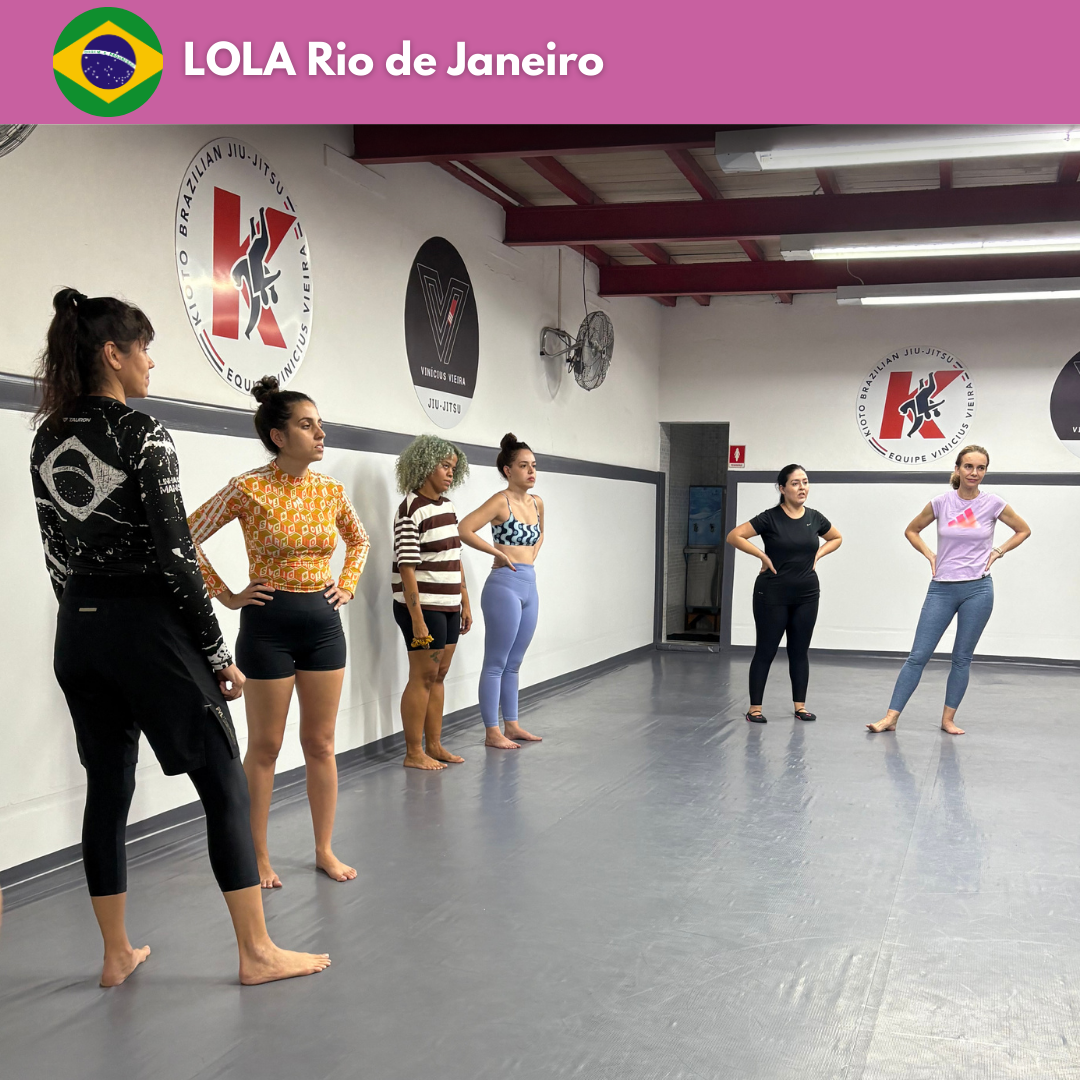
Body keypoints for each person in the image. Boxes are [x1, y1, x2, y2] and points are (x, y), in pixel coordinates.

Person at [30, 289, 329, 986]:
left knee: (108, 787)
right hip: (149, 629)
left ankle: (115, 955)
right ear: (114, 354)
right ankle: (257, 953)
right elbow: (174, 555)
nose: (151, 362)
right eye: (144, 349)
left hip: (79, 630)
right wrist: (217, 652)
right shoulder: (143, 433)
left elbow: (55, 550)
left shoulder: (46, 438)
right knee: (223, 780)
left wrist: (86, 619)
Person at [188, 376, 370, 889]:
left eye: (320, 425)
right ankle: (258, 855)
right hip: (267, 628)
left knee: (322, 743)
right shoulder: (248, 488)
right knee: (265, 747)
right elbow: (186, 534)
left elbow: (360, 541)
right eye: (308, 426)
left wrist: (347, 585)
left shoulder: (330, 490)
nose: (321, 434)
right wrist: (226, 594)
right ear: (278, 436)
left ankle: (324, 849)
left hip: (323, 626)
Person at [868, 445, 1030, 735]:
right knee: (918, 656)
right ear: (957, 469)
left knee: (961, 658)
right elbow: (911, 530)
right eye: (968, 466)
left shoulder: (993, 503)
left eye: (980, 468)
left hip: (978, 590)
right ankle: (891, 717)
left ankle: (948, 720)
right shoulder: (941, 502)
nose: (974, 473)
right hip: (942, 589)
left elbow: (1023, 530)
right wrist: (930, 555)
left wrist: (998, 551)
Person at [726, 464, 843, 723]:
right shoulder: (770, 518)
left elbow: (836, 538)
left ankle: (800, 707)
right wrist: (762, 555)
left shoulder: (815, 517)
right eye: (795, 483)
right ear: (782, 488)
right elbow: (734, 536)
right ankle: (755, 709)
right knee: (765, 651)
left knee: (799, 651)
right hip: (772, 595)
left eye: (805, 482)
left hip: (807, 594)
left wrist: (818, 555)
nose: (802, 488)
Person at [459, 433, 544, 749]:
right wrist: (498, 553)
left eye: (533, 465)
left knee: (514, 662)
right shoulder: (500, 501)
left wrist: (530, 558)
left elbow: (540, 535)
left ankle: (512, 724)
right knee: (495, 663)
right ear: (508, 470)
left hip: (528, 585)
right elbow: (464, 529)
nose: (531, 471)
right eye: (523, 465)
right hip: (503, 587)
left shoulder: (537, 503)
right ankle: (491, 731)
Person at [392, 435, 473, 770]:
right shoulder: (410, 510)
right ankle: (414, 752)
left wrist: (465, 601)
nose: (450, 473)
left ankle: (435, 745)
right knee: (423, 677)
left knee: (439, 675)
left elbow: (455, 557)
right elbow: (406, 568)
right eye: (444, 466)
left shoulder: (448, 506)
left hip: (449, 604)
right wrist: (417, 619)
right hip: (422, 607)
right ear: (425, 466)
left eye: (453, 467)